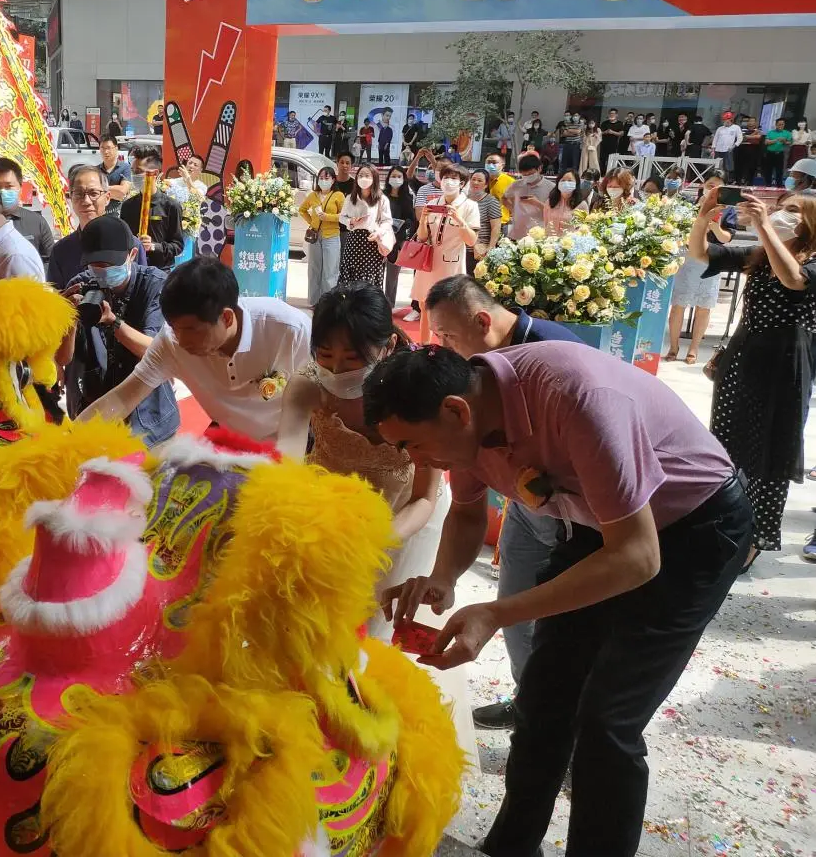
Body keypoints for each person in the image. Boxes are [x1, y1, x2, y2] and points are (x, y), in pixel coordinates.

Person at [366, 341, 752, 857]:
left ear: (455, 411)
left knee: (606, 719)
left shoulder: (576, 400)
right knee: (545, 693)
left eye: (412, 445)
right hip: (598, 525)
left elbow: (637, 558)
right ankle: (511, 844)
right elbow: (465, 511)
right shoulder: (468, 415)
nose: (415, 461)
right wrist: (443, 577)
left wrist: (497, 613)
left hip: (693, 528)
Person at [275, 283, 474, 753]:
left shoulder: (414, 391)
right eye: (325, 355)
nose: (336, 370)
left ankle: (369, 740)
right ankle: (312, 730)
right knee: (312, 626)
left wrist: (374, 538)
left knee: (377, 634)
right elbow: (284, 464)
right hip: (328, 513)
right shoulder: (307, 384)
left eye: (352, 359)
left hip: (404, 519)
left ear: (386, 346)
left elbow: (426, 496)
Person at [422, 276, 584, 730]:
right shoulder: (476, 373)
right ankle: (527, 701)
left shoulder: (554, 357)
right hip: (525, 511)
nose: (447, 349)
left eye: (450, 337)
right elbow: (467, 502)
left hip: (576, 519)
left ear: (481, 320)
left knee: (563, 625)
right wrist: (444, 576)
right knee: (515, 608)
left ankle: (562, 725)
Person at [688, 189, 816, 570]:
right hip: (744, 357)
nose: (781, 215)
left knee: (769, 451)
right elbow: (701, 254)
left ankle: (755, 536)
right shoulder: (762, 253)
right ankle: (722, 521)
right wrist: (703, 218)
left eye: (792, 211)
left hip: (784, 365)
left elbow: (794, 280)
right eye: (780, 209)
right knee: (728, 443)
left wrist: (763, 226)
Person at [79, 256, 310, 441]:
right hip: (230, 441)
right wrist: (67, 439)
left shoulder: (289, 329)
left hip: (292, 442)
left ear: (227, 318)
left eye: (192, 330)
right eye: (174, 328)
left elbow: (325, 402)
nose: (182, 341)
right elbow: (122, 398)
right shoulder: (171, 340)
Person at [55, 214, 177, 445]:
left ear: (132, 255)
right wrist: (68, 319)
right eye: (95, 265)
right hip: (96, 411)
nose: (101, 272)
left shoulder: (155, 284)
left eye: (108, 265)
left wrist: (114, 323)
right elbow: (62, 358)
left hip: (150, 419)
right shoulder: (80, 284)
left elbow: (155, 350)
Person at [665, 175, 733, 366]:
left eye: (717, 187)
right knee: (679, 304)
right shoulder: (688, 204)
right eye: (709, 185)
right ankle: (673, 346)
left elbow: (727, 238)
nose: (712, 189)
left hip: (712, 258)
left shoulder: (728, 211)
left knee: (704, 307)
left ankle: (693, 348)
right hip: (687, 257)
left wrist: (714, 225)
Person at [412, 163, 479, 344]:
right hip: (429, 261)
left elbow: (471, 240)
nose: (448, 182)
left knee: (447, 306)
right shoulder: (433, 203)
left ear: (462, 183)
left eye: (454, 178)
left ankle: (446, 347)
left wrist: (458, 219)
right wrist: (424, 219)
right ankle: (423, 347)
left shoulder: (470, 206)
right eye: (446, 177)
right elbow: (422, 237)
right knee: (424, 305)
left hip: (451, 263)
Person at [120, 144, 184, 269]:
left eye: (138, 171)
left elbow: (178, 246)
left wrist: (154, 246)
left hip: (160, 271)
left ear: (154, 173)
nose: (134, 176)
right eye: (132, 171)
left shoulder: (171, 206)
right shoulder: (128, 206)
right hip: (133, 270)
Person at [0, 156, 55, 267]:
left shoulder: (36, 222)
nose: (2, 192)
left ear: (20, 187)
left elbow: (51, 261)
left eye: (9, 186)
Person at [339, 163, 393, 289]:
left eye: (367, 175)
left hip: (372, 242)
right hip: (354, 241)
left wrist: (379, 232)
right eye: (361, 175)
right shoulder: (350, 198)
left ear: (374, 178)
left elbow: (387, 221)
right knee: (350, 279)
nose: (363, 178)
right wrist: (351, 222)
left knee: (369, 279)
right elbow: (342, 217)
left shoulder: (382, 199)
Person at [301, 166, 345, 305]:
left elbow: (344, 216)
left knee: (330, 272)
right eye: (321, 178)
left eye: (327, 178)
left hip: (331, 236)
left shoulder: (338, 195)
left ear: (333, 180)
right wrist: (313, 222)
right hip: (315, 236)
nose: (323, 180)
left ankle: (328, 303)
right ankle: (314, 302)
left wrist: (327, 217)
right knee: (314, 269)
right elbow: (302, 210)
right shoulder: (313, 195)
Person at [383, 166, 417, 308]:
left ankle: (389, 303)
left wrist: (402, 224)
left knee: (393, 275)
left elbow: (411, 219)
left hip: (398, 240)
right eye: (393, 176)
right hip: (381, 238)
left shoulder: (408, 198)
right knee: (376, 272)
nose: (395, 179)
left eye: (399, 177)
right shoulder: (381, 195)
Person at [502, 152, 553, 240]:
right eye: (524, 175)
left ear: (539, 168)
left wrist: (537, 203)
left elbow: (554, 212)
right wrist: (514, 210)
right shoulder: (516, 185)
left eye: (531, 174)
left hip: (539, 234)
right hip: (517, 233)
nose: (527, 177)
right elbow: (504, 198)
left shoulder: (551, 187)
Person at [466, 168, 503, 270]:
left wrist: (490, 248)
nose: (475, 182)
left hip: (480, 249)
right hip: (462, 248)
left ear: (486, 185)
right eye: (473, 179)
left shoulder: (491, 201)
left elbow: (496, 227)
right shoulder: (463, 199)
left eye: (479, 180)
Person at [541, 168, 585, 234]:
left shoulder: (582, 205)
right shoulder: (550, 201)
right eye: (563, 180)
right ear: (558, 183)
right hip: (550, 242)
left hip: (570, 243)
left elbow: (583, 228)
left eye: (570, 181)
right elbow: (546, 223)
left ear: (576, 184)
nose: (566, 183)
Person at [96, 133, 132, 212]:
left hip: (118, 214)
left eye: (108, 148)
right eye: (102, 148)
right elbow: (93, 194)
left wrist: (100, 190)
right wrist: (114, 192)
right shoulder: (95, 170)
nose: (106, 151)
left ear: (116, 148)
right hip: (100, 214)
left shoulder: (125, 167)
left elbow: (122, 192)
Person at [483, 153, 516, 235]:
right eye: (488, 162)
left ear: (502, 165)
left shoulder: (510, 182)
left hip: (500, 223)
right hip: (481, 222)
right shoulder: (480, 179)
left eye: (494, 162)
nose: (490, 165)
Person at [712, 111, 743, 178]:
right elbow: (715, 139)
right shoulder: (720, 128)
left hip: (728, 149)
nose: (726, 121)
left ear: (731, 120)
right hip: (718, 149)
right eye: (725, 120)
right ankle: (716, 178)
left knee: (728, 166)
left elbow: (740, 138)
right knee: (717, 165)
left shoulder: (736, 127)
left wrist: (734, 146)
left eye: (727, 120)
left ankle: (727, 179)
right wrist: (713, 149)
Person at [763, 118, 791, 187]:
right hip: (770, 154)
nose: (781, 126)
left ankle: (779, 186)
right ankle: (768, 185)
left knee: (779, 171)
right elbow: (766, 142)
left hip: (780, 154)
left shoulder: (787, 133)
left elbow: (789, 143)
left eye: (782, 124)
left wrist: (784, 141)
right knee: (768, 170)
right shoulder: (770, 132)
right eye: (779, 124)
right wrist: (776, 140)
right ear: (776, 125)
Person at [736, 115, 764, 185]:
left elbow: (759, 137)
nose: (751, 123)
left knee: (752, 166)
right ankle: (739, 180)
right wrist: (753, 136)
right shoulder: (742, 129)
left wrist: (749, 137)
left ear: (755, 123)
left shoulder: (759, 130)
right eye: (749, 121)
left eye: (753, 121)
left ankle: (749, 182)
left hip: (754, 150)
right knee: (741, 166)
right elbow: (742, 138)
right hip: (742, 150)